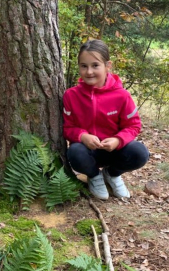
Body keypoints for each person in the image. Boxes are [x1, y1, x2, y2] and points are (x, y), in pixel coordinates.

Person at [63, 39, 149, 200]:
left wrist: (118, 140)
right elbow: (68, 127)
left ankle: (112, 174)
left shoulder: (122, 95)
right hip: (88, 152)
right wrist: (82, 136)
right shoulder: (71, 95)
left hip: (115, 151)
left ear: (108, 66)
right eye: (84, 66)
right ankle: (94, 176)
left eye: (95, 65)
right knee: (74, 152)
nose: (89, 72)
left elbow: (134, 125)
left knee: (140, 153)